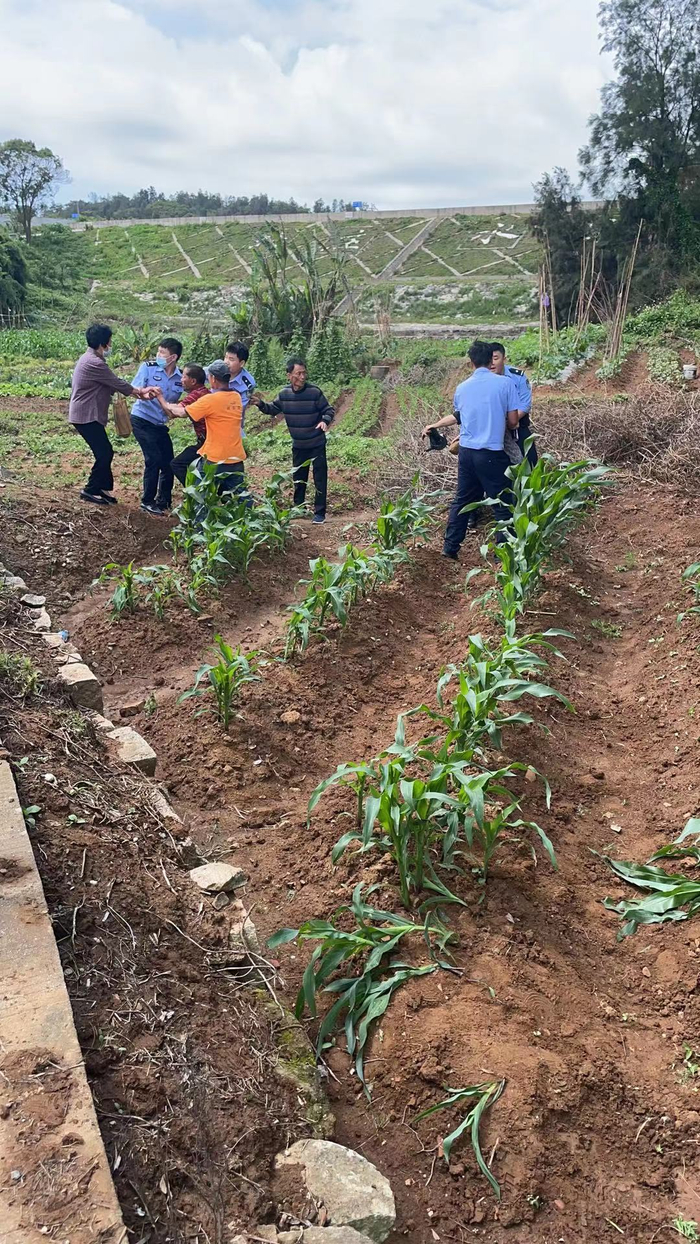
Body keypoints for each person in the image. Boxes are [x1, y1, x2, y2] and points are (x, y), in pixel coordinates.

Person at [421, 339, 520, 561]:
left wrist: (435, 425)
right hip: (492, 453)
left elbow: (461, 417)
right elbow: (513, 422)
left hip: (466, 453)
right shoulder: (505, 384)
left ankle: (450, 548)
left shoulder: (462, 388)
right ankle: (503, 556)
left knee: (463, 500)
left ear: (471, 362)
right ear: (490, 360)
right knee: (503, 504)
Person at [68, 323, 152, 507]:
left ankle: (103, 488)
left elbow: (109, 384)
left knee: (104, 451)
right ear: (103, 343)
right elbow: (115, 382)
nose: (110, 345)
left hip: (87, 414)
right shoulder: (94, 362)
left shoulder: (89, 358)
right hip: (86, 415)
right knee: (104, 452)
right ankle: (90, 490)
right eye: (109, 341)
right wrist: (139, 391)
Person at [249, 356, 334, 523]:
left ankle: (319, 513)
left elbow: (329, 410)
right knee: (299, 479)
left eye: (304, 373)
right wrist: (260, 403)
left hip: (316, 444)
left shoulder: (314, 392)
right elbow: (273, 409)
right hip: (298, 445)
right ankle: (299, 508)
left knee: (320, 478)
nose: (302, 377)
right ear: (289, 375)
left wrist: (325, 421)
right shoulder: (284, 394)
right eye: (298, 373)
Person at [153, 359, 245, 497]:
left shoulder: (210, 400)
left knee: (199, 496)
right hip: (236, 456)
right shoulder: (236, 397)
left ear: (213, 379)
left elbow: (181, 412)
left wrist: (161, 399)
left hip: (214, 457)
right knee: (237, 499)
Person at [130, 337, 184, 515]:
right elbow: (135, 390)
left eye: (163, 353)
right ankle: (147, 501)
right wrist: (144, 395)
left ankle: (164, 501)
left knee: (169, 463)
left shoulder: (181, 377)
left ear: (173, 357)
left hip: (160, 424)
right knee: (152, 459)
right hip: (142, 419)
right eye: (158, 352)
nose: (158, 355)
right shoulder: (148, 367)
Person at [490, 341, 536, 465]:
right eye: (489, 359)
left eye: (495, 358)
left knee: (529, 463)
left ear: (504, 359)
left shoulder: (518, 377)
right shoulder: (482, 380)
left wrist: (510, 421)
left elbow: (525, 404)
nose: (492, 363)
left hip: (517, 427)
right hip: (493, 431)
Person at [169, 365, 210, 485]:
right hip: (207, 441)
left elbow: (174, 413)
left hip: (206, 443)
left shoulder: (196, 395)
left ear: (193, 381)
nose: (181, 380)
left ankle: (195, 493)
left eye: (184, 377)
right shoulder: (205, 392)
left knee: (177, 464)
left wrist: (159, 398)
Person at [222, 341, 256, 428]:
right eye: (226, 357)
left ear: (242, 363)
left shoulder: (248, 383)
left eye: (231, 359)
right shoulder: (217, 370)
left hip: (233, 425)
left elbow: (239, 408)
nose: (226, 362)